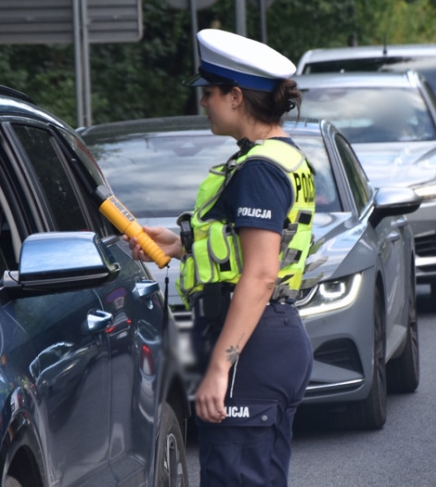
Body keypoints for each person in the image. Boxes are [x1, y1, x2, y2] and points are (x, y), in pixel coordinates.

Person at [127, 29, 315, 486]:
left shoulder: (259, 170)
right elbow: (254, 246)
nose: (203, 103)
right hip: (274, 339)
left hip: (250, 346)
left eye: (208, 93)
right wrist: (180, 243)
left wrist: (219, 367)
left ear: (235, 97)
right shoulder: (279, 155)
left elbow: (261, 274)